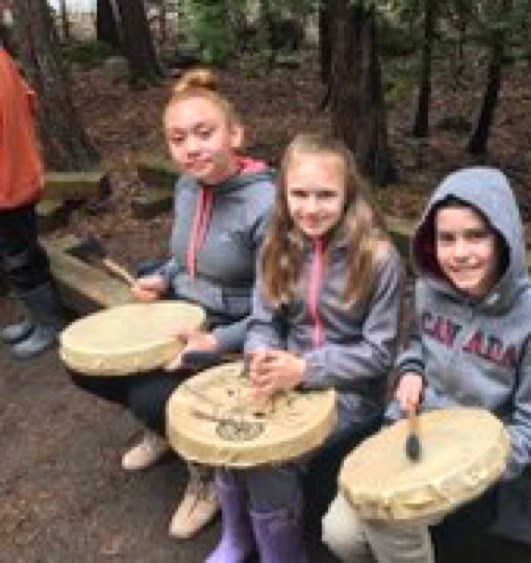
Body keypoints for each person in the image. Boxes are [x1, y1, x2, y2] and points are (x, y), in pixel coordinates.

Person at [68, 68, 276, 540]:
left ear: (236, 134)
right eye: (178, 138)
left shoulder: (267, 205)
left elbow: (273, 311)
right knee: (86, 366)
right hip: (183, 310)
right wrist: (161, 279)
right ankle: (165, 429)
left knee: (148, 392)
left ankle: (204, 473)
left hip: (236, 331)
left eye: (205, 133)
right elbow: (182, 259)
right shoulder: (186, 186)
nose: (192, 148)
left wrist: (214, 339)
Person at [321, 167, 531, 563]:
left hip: (473, 459)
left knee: (394, 525)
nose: (460, 253)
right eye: (447, 238)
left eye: (476, 236)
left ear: (504, 238)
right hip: (409, 432)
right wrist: (411, 371)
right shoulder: (428, 290)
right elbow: (415, 344)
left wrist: (482, 463)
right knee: (339, 534)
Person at [205, 132, 403, 563]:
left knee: (267, 458)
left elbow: (380, 354)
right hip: (284, 375)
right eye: (299, 194)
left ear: (348, 194)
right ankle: (237, 539)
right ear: (283, 194)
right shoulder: (275, 246)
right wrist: (261, 354)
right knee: (227, 427)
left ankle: (284, 554)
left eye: (325, 195)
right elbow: (263, 321)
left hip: (349, 394)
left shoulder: (378, 258)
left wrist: (305, 369)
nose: (311, 208)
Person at [0, 31, 68, 359]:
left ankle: (49, 323)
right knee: (22, 253)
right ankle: (36, 317)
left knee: (20, 258)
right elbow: (30, 99)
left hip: (9, 184)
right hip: (15, 176)